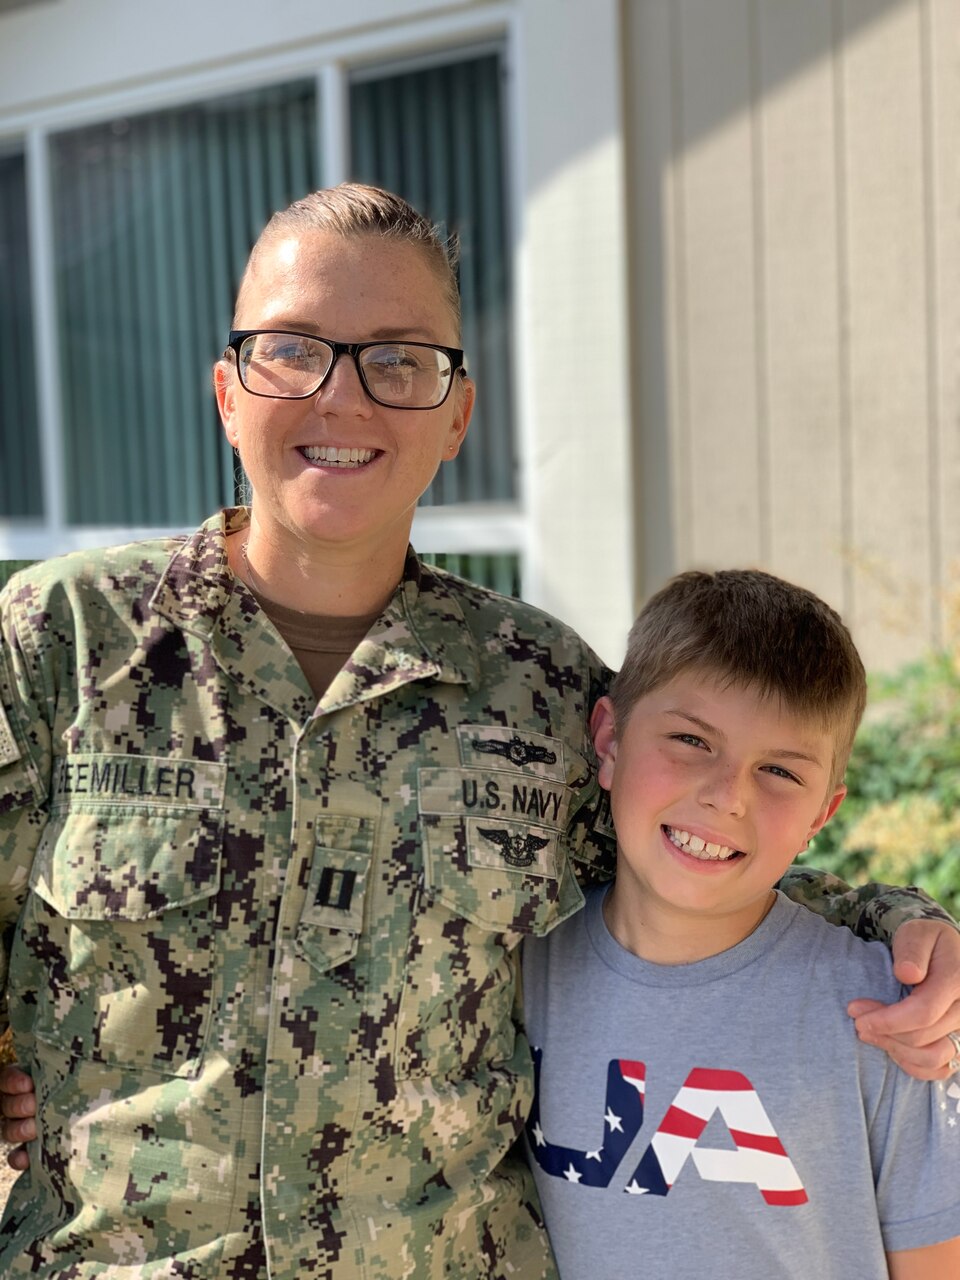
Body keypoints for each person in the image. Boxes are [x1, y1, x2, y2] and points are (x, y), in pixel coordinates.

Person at [0, 184, 957, 1280]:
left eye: (399, 360)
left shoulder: (539, 690)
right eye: (294, 349)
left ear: (457, 414)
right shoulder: (60, 642)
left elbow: (698, 851)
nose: (343, 396)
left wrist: (904, 925)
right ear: (228, 390)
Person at [523, 569, 960, 1279]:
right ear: (608, 742)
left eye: (780, 773)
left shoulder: (897, 1019)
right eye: (692, 741)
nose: (727, 796)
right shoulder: (515, 971)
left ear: (823, 813)